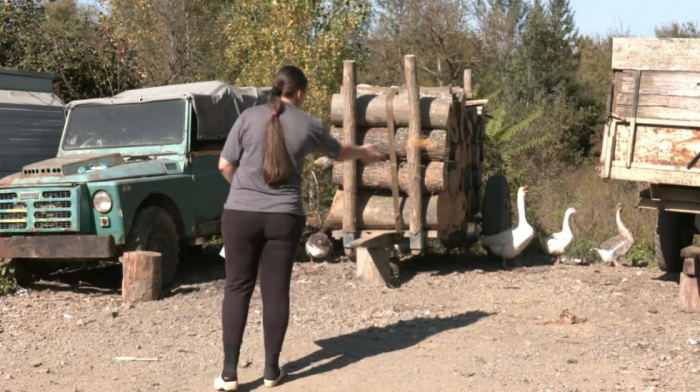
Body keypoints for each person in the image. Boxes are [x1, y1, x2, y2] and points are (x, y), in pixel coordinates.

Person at [215, 66, 381, 391]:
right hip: (284, 217)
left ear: (275, 89)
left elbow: (224, 165)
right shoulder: (308, 125)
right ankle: (271, 371)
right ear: (300, 93)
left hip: (239, 215)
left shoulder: (248, 118)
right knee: (275, 291)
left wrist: (243, 195)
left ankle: (229, 374)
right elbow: (338, 151)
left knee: (237, 287)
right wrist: (361, 153)